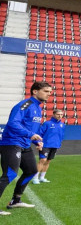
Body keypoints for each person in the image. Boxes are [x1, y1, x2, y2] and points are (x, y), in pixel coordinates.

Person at [0, 82, 52, 215]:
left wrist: (36, 142)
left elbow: (30, 128)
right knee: (9, 174)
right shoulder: (25, 105)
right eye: (46, 91)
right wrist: (30, 135)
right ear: (35, 91)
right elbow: (13, 123)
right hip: (11, 143)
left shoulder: (38, 108)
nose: (49, 94)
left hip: (25, 144)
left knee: (31, 171)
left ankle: (15, 200)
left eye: (50, 92)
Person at [32, 109, 65, 184]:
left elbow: (61, 136)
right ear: (53, 115)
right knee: (42, 160)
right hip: (45, 145)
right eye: (58, 114)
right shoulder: (47, 123)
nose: (60, 116)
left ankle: (42, 177)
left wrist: (59, 143)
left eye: (61, 115)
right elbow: (40, 134)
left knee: (48, 161)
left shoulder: (62, 125)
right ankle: (35, 178)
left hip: (55, 145)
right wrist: (38, 143)